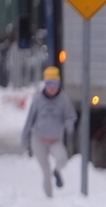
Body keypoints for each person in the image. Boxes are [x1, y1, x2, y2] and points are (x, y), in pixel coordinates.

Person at [21, 66, 77, 198]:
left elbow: (71, 116)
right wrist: (24, 139)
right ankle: (49, 199)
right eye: (49, 84)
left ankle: (57, 171)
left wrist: (69, 125)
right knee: (45, 171)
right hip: (38, 139)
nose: (52, 87)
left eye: (55, 83)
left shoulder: (64, 99)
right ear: (45, 84)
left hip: (55, 140)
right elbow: (29, 121)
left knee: (62, 159)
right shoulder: (38, 100)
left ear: (59, 84)